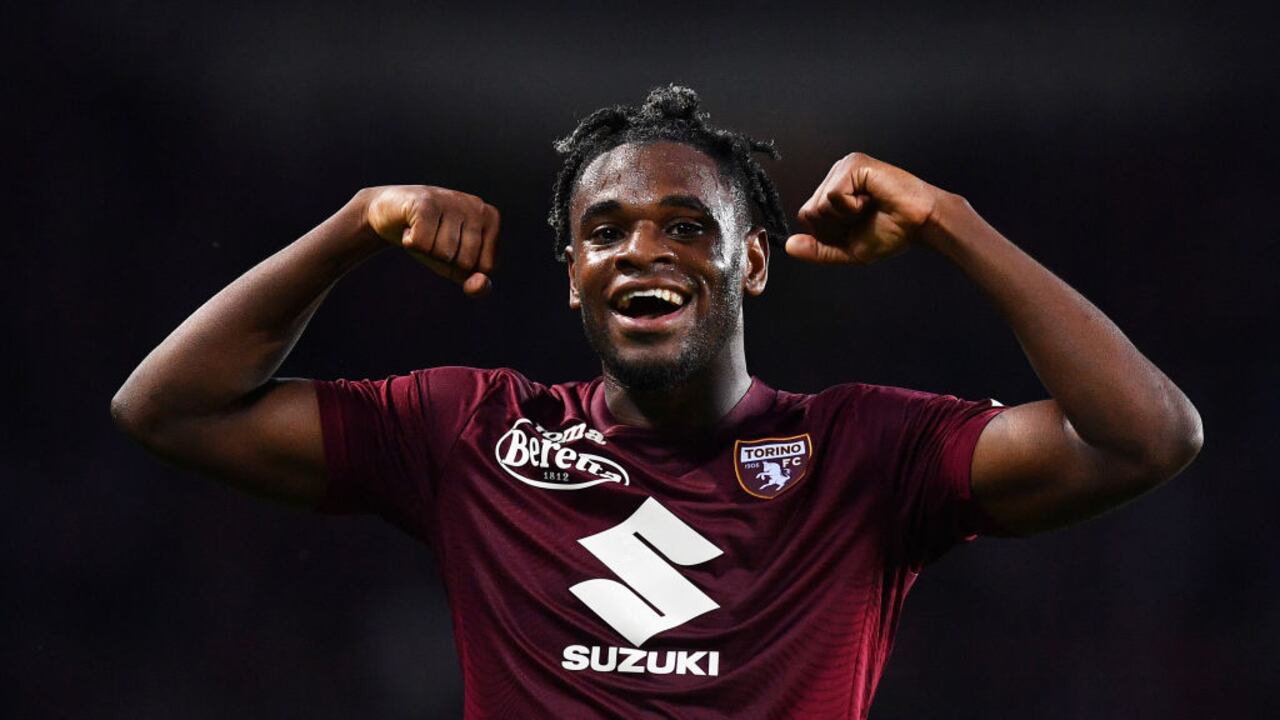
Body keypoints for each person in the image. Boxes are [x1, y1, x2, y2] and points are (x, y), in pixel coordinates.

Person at [110, 85, 1203, 718]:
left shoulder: (868, 449)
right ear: (573, 272)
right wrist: (352, 227)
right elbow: (170, 409)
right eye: (605, 231)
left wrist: (949, 220)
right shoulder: (471, 433)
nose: (646, 249)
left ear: (751, 264)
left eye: (689, 226)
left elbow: (1144, 436)